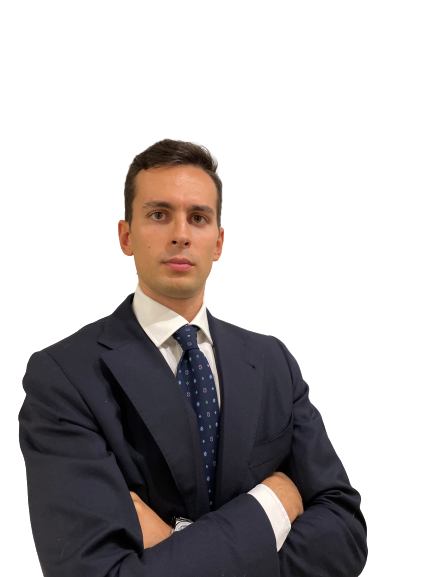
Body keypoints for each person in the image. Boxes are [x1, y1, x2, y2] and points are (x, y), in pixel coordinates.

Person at [19, 139, 367, 577]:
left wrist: (177, 541)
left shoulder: (272, 363)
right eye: (159, 215)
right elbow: (96, 571)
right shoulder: (64, 377)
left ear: (218, 242)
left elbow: (345, 535)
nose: (181, 234)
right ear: (126, 236)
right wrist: (274, 502)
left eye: (198, 218)